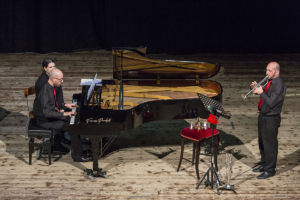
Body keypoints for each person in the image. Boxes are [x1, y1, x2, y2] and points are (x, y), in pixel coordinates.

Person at [33, 68, 91, 162]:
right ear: (53, 79)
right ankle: (77, 155)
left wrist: (65, 105)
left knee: (74, 119)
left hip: (51, 116)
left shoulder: (51, 87)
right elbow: (47, 113)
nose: (62, 81)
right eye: (60, 79)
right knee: (73, 127)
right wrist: (64, 113)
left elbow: (53, 104)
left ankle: (78, 150)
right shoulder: (44, 92)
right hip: (44, 121)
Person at [251, 62, 286, 179]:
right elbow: (265, 96)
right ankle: (264, 164)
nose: (267, 73)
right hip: (263, 116)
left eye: (270, 71)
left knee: (270, 145)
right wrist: (256, 88)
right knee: (262, 142)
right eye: (266, 70)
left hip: (271, 118)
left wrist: (261, 93)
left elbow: (271, 102)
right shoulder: (269, 82)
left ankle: (270, 170)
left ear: (277, 72)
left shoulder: (279, 85)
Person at [35, 58, 70, 152]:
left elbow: (59, 95)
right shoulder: (43, 83)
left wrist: (63, 106)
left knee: (69, 114)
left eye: (54, 66)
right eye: (50, 67)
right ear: (45, 68)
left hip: (53, 106)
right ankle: (56, 143)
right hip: (45, 112)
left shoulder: (55, 79)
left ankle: (60, 138)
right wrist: (60, 111)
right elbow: (44, 104)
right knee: (66, 119)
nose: (53, 68)